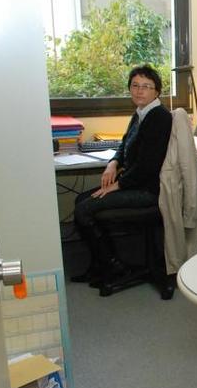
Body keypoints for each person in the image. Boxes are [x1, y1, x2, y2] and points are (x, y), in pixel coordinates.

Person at [71, 64, 172, 285]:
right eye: (135, 85)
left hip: (148, 190)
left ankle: (114, 266)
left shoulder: (159, 117)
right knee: (81, 200)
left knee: (84, 208)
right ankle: (100, 264)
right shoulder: (141, 113)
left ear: (157, 91)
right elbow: (125, 142)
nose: (139, 91)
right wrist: (113, 163)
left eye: (146, 86)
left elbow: (148, 166)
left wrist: (117, 185)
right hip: (134, 182)